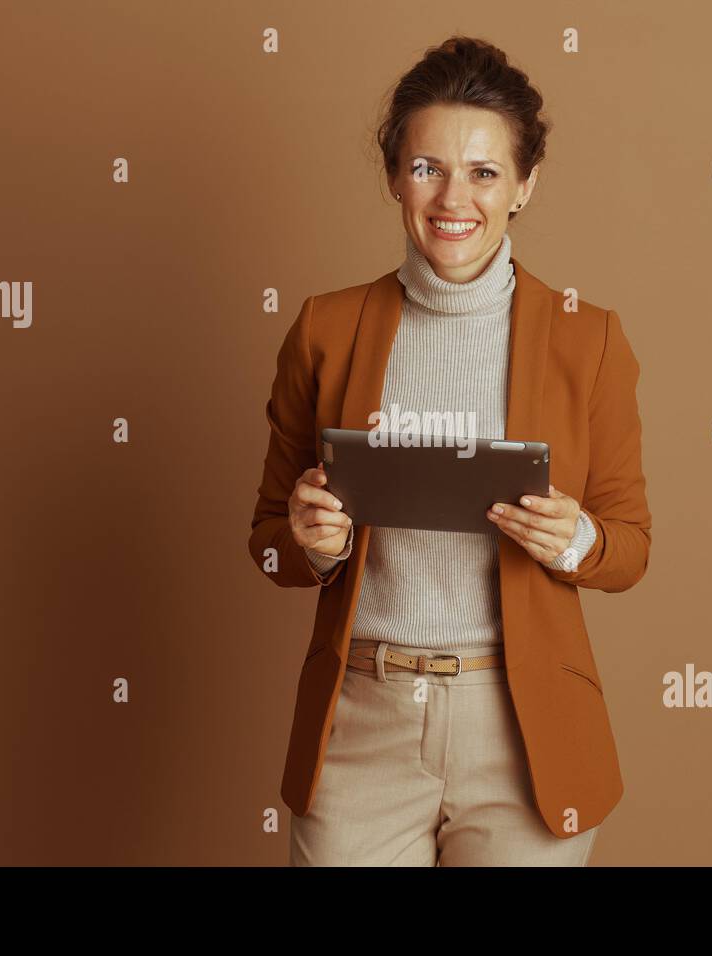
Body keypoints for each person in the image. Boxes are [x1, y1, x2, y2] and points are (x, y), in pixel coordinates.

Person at [248, 35, 653, 866]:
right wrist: (308, 543)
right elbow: (264, 543)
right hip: (363, 717)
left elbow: (631, 548)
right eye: (428, 168)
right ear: (395, 176)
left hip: (523, 730)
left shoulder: (591, 339)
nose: (452, 198)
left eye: (484, 172)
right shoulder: (325, 329)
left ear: (524, 186)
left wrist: (575, 539)